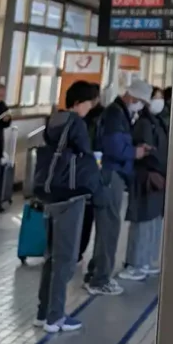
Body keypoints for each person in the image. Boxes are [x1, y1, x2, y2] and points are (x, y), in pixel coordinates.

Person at [33, 80, 106, 333]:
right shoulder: (76, 123)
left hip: (50, 194)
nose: (89, 108)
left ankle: (43, 312)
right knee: (65, 258)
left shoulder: (55, 120)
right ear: (78, 103)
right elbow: (85, 155)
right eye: (88, 103)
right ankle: (56, 317)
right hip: (70, 196)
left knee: (51, 257)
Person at [85, 78, 152, 296]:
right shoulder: (115, 114)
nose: (140, 106)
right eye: (141, 101)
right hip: (110, 175)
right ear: (132, 97)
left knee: (108, 227)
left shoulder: (120, 113)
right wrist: (135, 153)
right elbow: (113, 146)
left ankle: (95, 273)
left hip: (112, 174)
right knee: (109, 228)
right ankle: (100, 280)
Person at [121, 87, 169, 280]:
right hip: (147, 178)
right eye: (155, 98)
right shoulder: (144, 124)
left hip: (159, 177)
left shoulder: (158, 122)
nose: (159, 102)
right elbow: (148, 151)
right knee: (142, 221)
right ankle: (135, 263)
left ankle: (147, 260)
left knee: (154, 220)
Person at [77, 83, 103, 263]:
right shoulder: (77, 120)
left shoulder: (100, 117)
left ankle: (78, 250)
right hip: (81, 173)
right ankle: (76, 249)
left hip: (89, 171)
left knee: (86, 213)